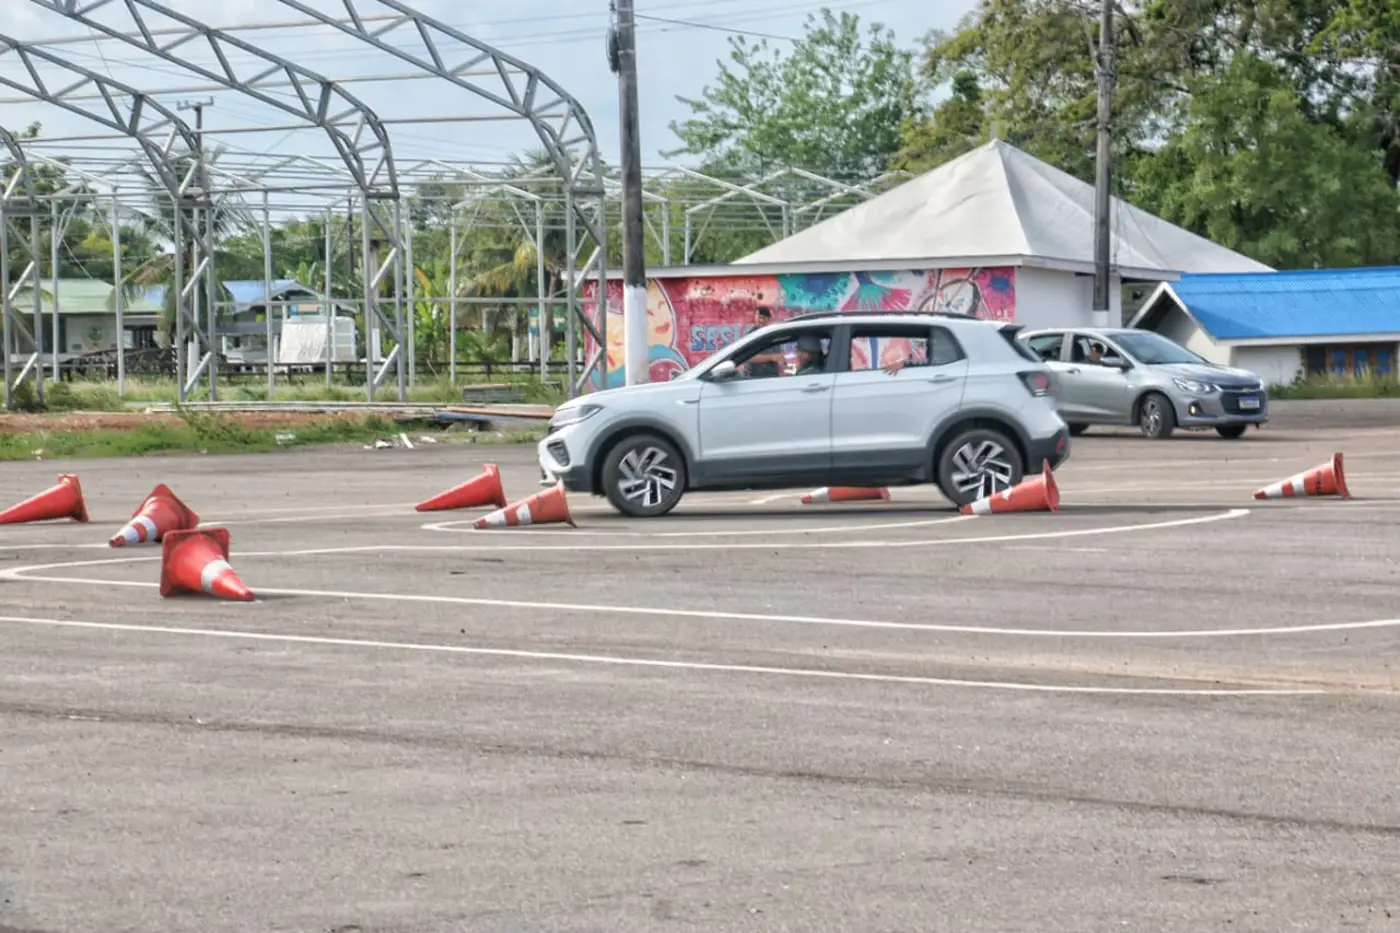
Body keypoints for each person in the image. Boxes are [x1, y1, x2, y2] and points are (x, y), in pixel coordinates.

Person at [742, 306, 784, 378]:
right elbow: (749, 357)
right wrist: (771, 357)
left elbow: (779, 355)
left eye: (764, 318)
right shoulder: (750, 336)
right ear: (755, 317)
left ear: (769, 319)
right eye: (759, 317)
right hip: (753, 377)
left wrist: (781, 363)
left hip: (772, 376)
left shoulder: (773, 334)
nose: (761, 320)